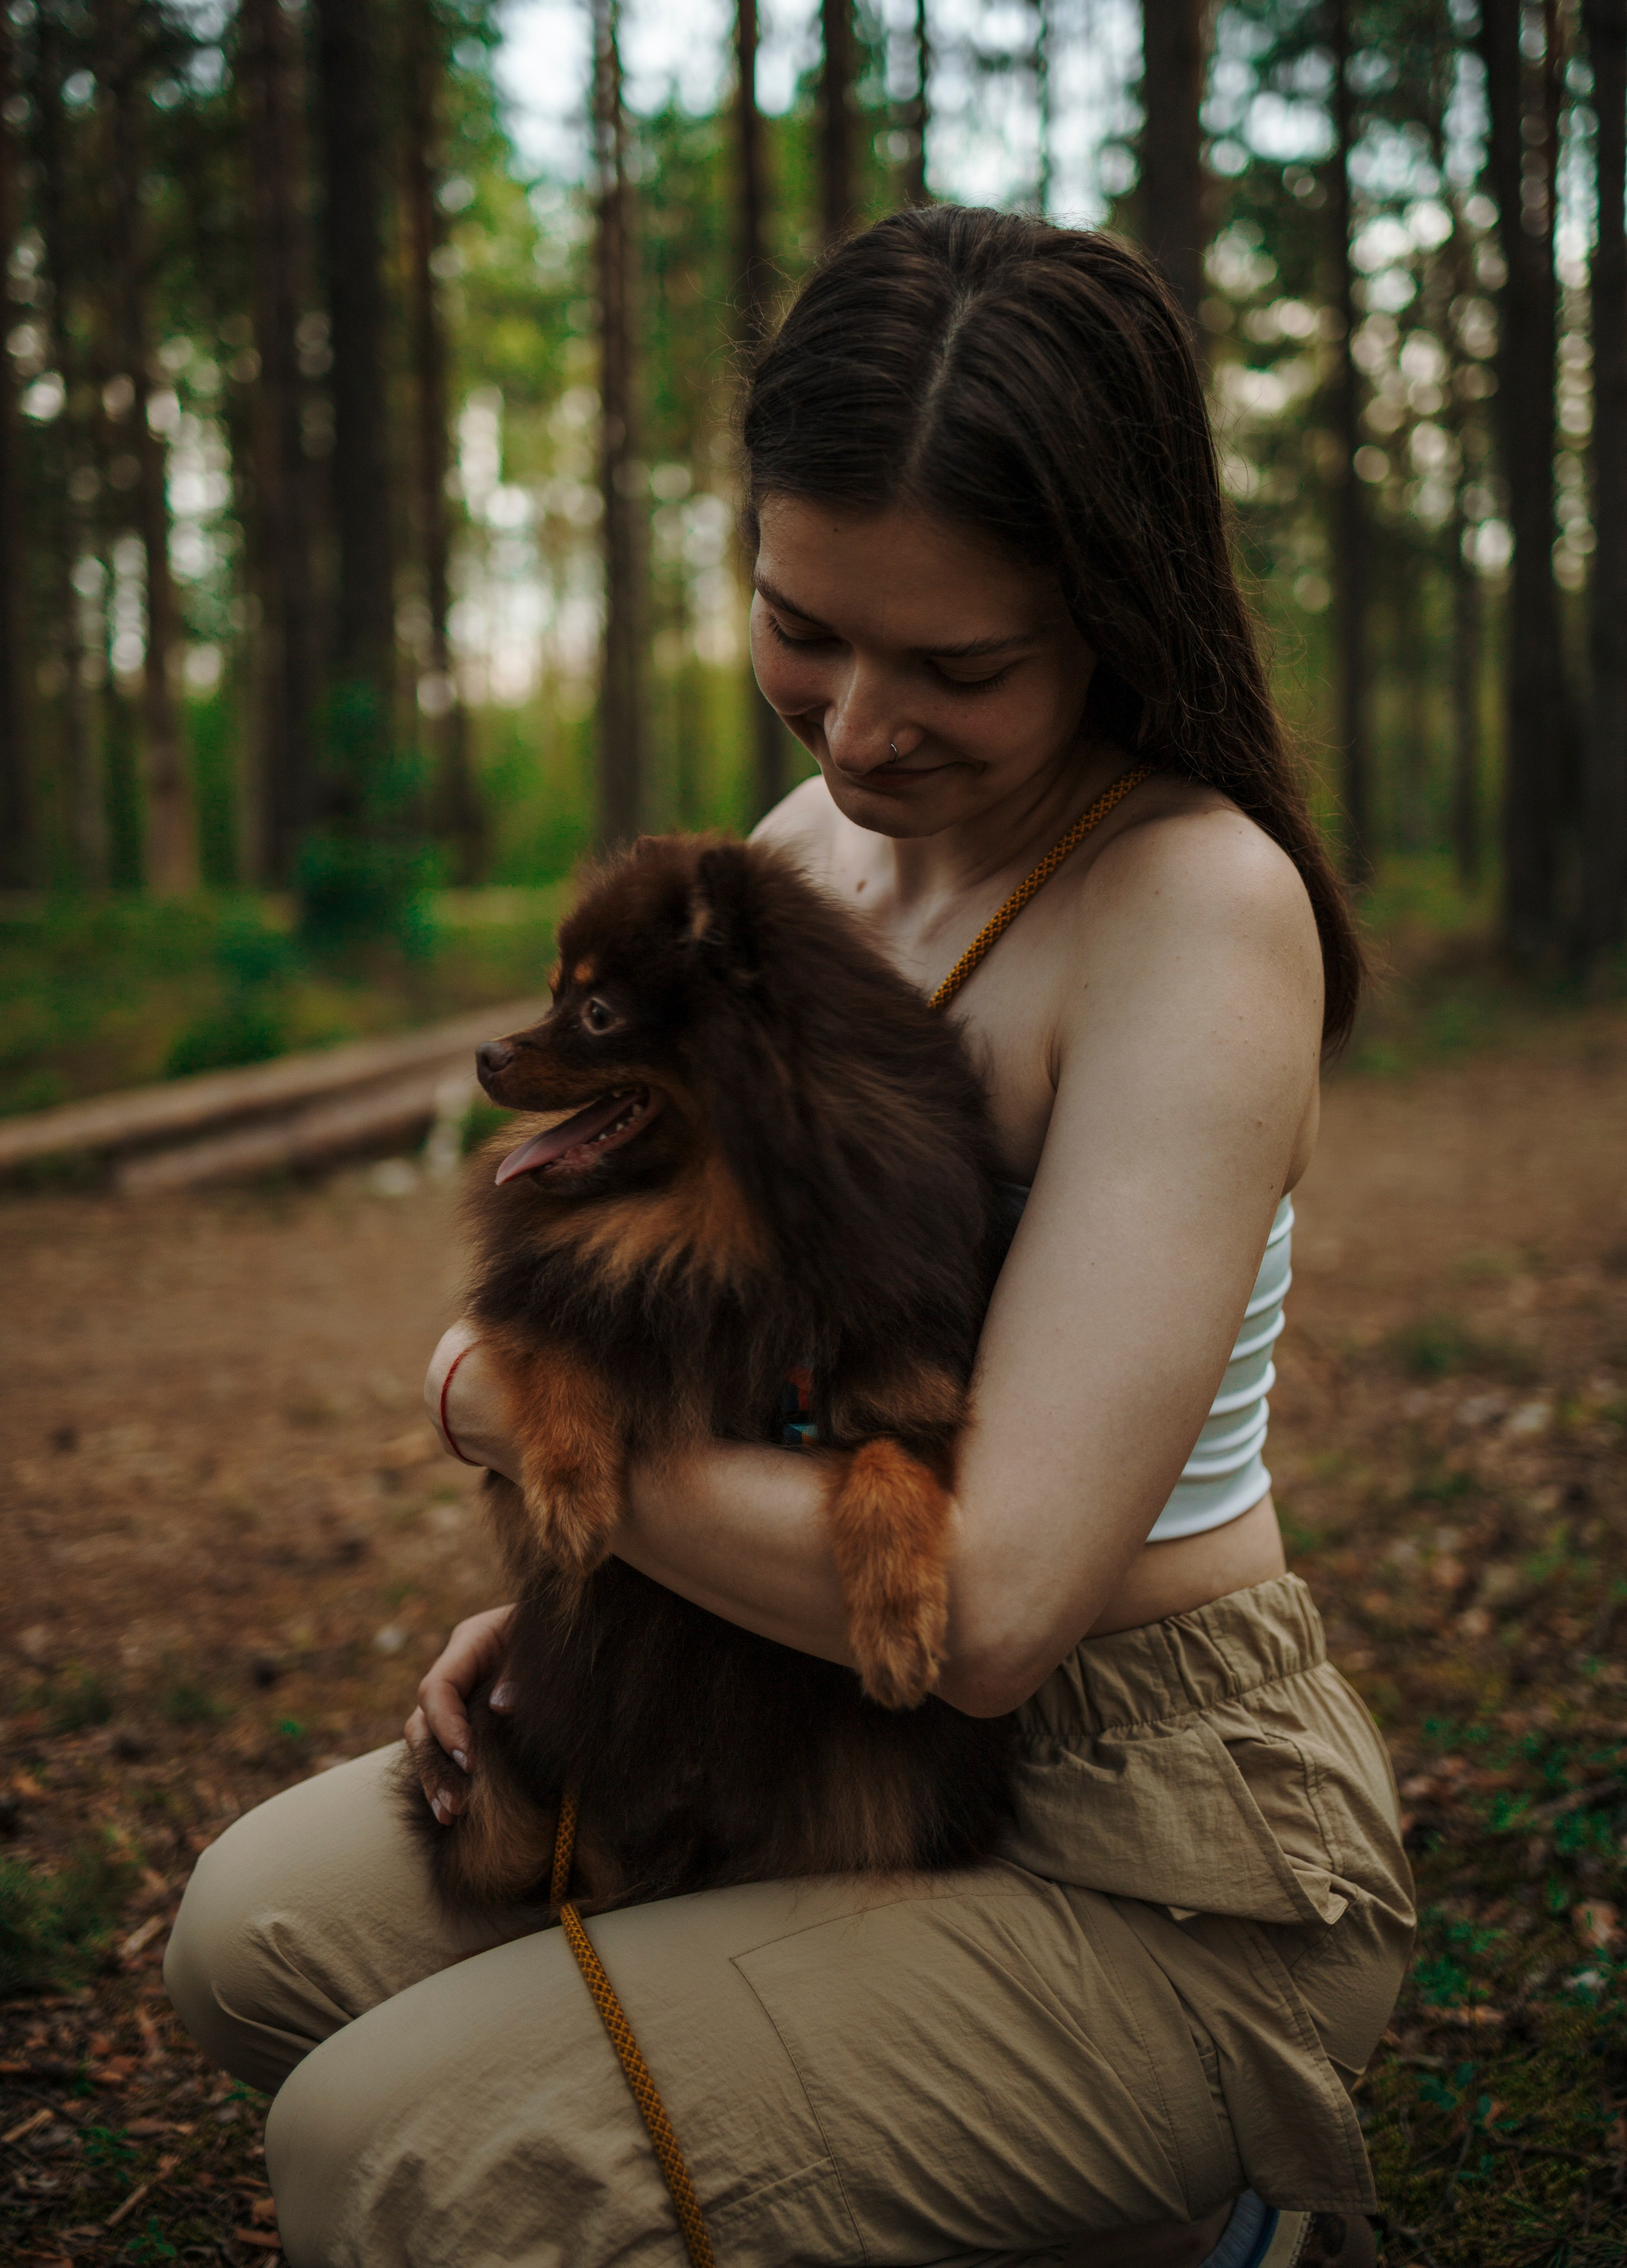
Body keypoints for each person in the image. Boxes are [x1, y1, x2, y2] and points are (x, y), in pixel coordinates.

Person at [165, 208, 1412, 2268]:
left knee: (394, 2162)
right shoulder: (793, 862)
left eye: (961, 666)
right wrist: (609, 1596)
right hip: (795, 1719)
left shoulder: (1191, 909)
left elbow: (997, 1607)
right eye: (802, 624)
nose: (852, 729)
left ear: (1116, 607)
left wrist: (514, 1416)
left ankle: (1203, 2207)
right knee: (257, 1945)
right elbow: (738, 1362)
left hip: (1138, 1839)